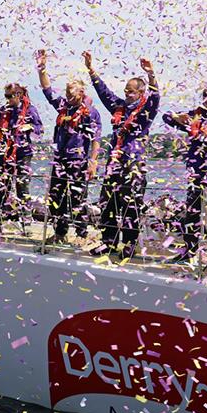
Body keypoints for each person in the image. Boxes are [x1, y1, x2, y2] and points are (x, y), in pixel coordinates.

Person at [83, 51, 161, 260]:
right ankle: (108, 242)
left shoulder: (146, 111)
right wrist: (91, 70)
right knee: (108, 202)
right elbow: (104, 93)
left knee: (131, 205)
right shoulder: (119, 107)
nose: (127, 94)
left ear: (140, 93)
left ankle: (129, 243)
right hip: (114, 163)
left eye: (131, 92)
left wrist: (151, 74)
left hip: (133, 164)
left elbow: (155, 97)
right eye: (126, 91)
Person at [36, 49, 102, 244]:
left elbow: (96, 138)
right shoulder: (63, 106)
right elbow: (47, 91)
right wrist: (42, 68)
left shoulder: (91, 112)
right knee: (56, 198)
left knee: (77, 199)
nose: (68, 97)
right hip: (60, 159)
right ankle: (59, 232)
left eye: (72, 94)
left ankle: (82, 234)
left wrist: (93, 162)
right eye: (67, 94)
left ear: (82, 93)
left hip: (78, 161)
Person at [162, 83, 207, 264]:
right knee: (192, 213)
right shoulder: (195, 116)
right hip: (196, 172)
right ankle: (189, 251)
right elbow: (166, 116)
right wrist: (177, 118)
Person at [0, 82, 43, 235]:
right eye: (5, 96)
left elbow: (40, 129)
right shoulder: (3, 110)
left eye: (10, 96)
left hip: (23, 153)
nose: (7, 99)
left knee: (23, 188)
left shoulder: (30, 110)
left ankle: (26, 225)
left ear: (19, 95)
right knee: (1, 187)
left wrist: (31, 127)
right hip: (4, 152)